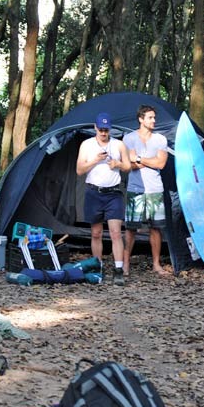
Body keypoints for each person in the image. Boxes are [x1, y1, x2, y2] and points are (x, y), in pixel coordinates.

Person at [76, 112, 131, 285]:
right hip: (93, 192)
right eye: (100, 129)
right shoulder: (87, 145)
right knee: (96, 232)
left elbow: (128, 167)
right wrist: (95, 160)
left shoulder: (119, 145)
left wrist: (118, 164)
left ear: (110, 129)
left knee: (115, 233)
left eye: (106, 129)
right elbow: (79, 170)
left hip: (113, 193)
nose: (103, 132)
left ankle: (118, 269)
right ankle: (97, 266)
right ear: (95, 127)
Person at [122, 105, 169, 277]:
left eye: (154, 117)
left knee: (156, 228)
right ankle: (125, 264)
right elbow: (129, 165)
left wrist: (140, 159)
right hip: (136, 189)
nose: (154, 120)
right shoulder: (129, 138)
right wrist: (150, 161)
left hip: (155, 189)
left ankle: (156, 264)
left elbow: (161, 164)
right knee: (131, 228)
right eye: (150, 117)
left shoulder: (160, 140)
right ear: (141, 119)